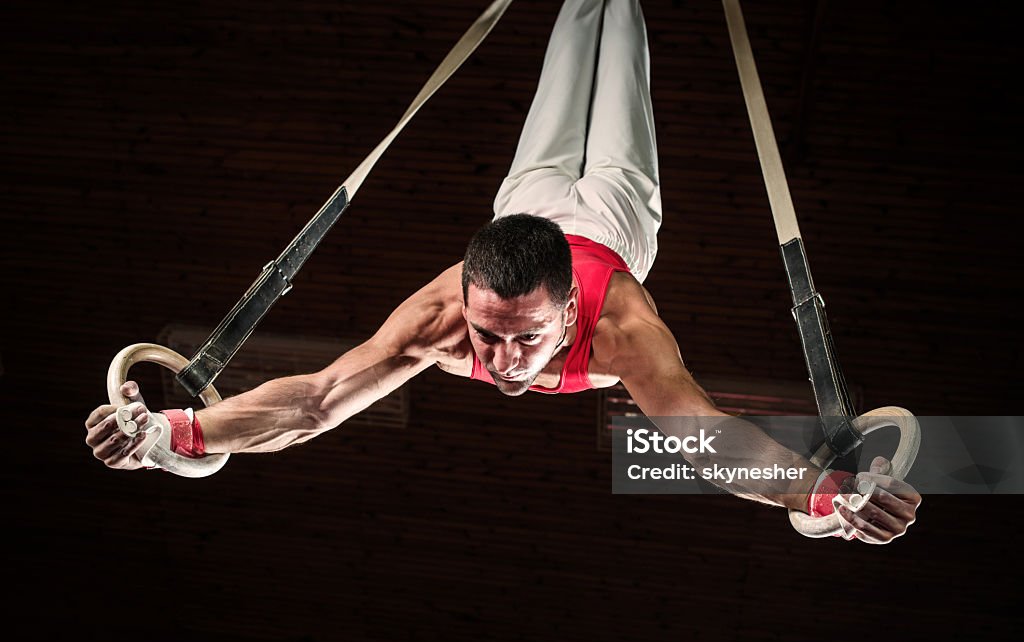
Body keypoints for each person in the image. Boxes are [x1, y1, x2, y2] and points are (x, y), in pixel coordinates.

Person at [85, 0, 920, 542]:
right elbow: (316, 401)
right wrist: (173, 433)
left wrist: (813, 492)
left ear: (566, 317)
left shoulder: (623, 328)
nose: (503, 360)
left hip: (617, 224)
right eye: (487, 333)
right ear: (466, 297)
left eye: (527, 339)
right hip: (525, 202)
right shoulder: (440, 318)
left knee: (618, 24)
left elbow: (706, 441)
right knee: (576, 18)